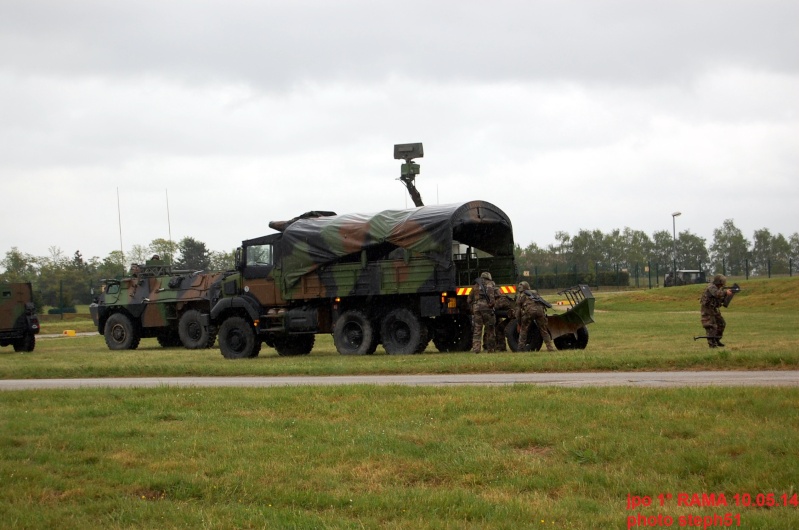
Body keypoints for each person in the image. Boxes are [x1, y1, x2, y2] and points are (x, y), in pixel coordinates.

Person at [515, 281, 556, 352]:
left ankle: (521, 349)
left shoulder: (521, 295)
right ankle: (550, 347)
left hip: (529, 311)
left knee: (524, 330)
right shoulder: (535, 292)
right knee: (543, 330)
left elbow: (518, 311)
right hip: (540, 311)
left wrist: (519, 323)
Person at [700, 274, 733, 348]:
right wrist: (726, 293)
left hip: (714, 308)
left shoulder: (718, 288)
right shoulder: (711, 287)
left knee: (721, 323)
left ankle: (717, 339)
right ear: (719, 281)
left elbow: (720, 298)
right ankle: (712, 344)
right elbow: (717, 294)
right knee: (711, 326)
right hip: (707, 309)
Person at [468, 271, 496, 353]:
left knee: (477, 329)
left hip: (476, 308)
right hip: (487, 308)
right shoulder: (490, 284)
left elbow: (469, 299)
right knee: (490, 328)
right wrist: (492, 304)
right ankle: (490, 349)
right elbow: (491, 296)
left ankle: (476, 349)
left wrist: (473, 306)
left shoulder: (475, 285)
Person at [493, 285, 513, 351]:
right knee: (500, 326)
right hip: (513, 317)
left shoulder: (501, 299)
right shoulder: (504, 298)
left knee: (500, 328)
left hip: (514, 318)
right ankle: (501, 347)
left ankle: (501, 347)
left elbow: (494, 307)